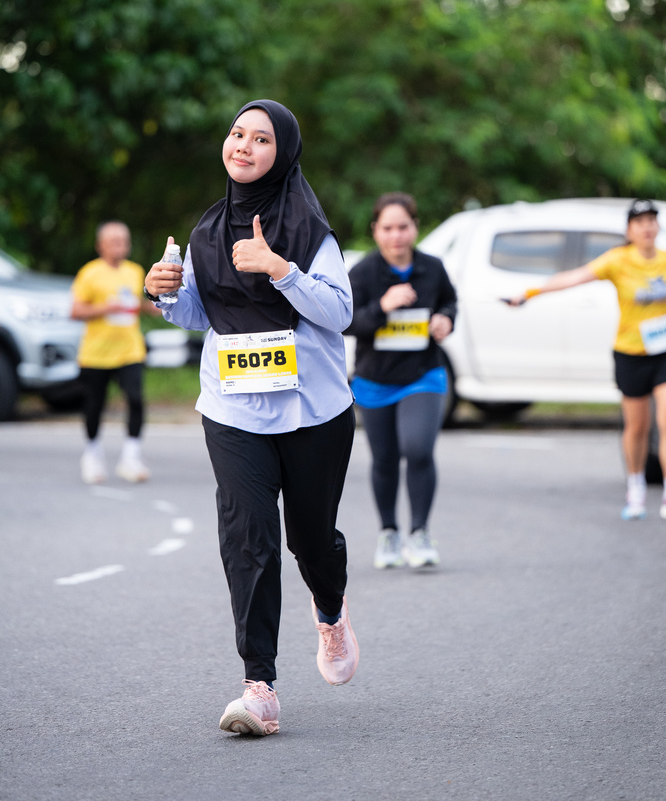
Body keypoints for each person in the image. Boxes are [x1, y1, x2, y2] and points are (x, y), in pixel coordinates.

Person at [144, 99, 358, 737]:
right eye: (237, 133)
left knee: (311, 540)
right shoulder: (208, 232)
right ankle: (258, 687)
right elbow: (201, 315)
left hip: (314, 409)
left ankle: (330, 610)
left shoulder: (312, 233)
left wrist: (280, 270)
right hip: (233, 408)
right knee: (249, 539)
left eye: (261, 139)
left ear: (283, 153)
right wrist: (165, 293)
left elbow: (340, 312)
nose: (243, 145)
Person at [506, 198, 666, 521]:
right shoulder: (618, 261)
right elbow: (572, 278)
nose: (647, 227)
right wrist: (531, 293)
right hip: (630, 353)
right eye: (640, 222)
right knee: (637, 427)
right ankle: (635, 486)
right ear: (629, 231)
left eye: (652, 221)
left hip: (663, 352)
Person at [346, 192, 457, 569]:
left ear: (415, 228)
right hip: (375, 380)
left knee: (418, 449)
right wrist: (384, 305)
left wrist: (445, 319)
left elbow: (449, 302)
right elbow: (346, 322)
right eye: (388, 228)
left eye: (403, 227)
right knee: (385, 459)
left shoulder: (432, 268)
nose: (396, 236)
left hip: (422, 375)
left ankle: (420, 533)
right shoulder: (363, 273)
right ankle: (389, 532)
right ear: (375, 231)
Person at [71, 221, 158, 485]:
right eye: (114, 241)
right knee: (95, 405)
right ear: (101, 246)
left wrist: (153, 306)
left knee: (136, 400)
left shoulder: (135, 271)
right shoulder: (90, 273)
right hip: (96, 353)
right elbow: (75, 310)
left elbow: (135, 304)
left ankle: (131, 457)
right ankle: (92, 454)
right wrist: (105, 309)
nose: (121, 245)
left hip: (130, 349)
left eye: (124, 240)